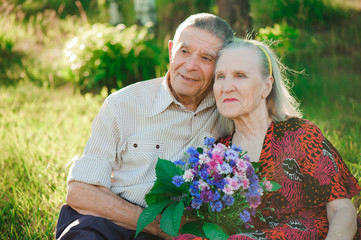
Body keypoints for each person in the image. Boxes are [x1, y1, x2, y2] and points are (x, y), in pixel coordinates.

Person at [55, 13, 234, 240]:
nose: (190, 66)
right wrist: (155, 224)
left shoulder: (228, 112)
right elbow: (80, 193)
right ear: (171, 50)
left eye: (206, 58)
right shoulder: (122, 104)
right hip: (108, 218)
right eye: (184, 51)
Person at [174, 38, 361, 240]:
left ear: (266, 86)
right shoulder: (220, 155)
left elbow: (341, 210)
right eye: (220, 77)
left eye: (240, 76)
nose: (226, 87)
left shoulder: (300, 136)